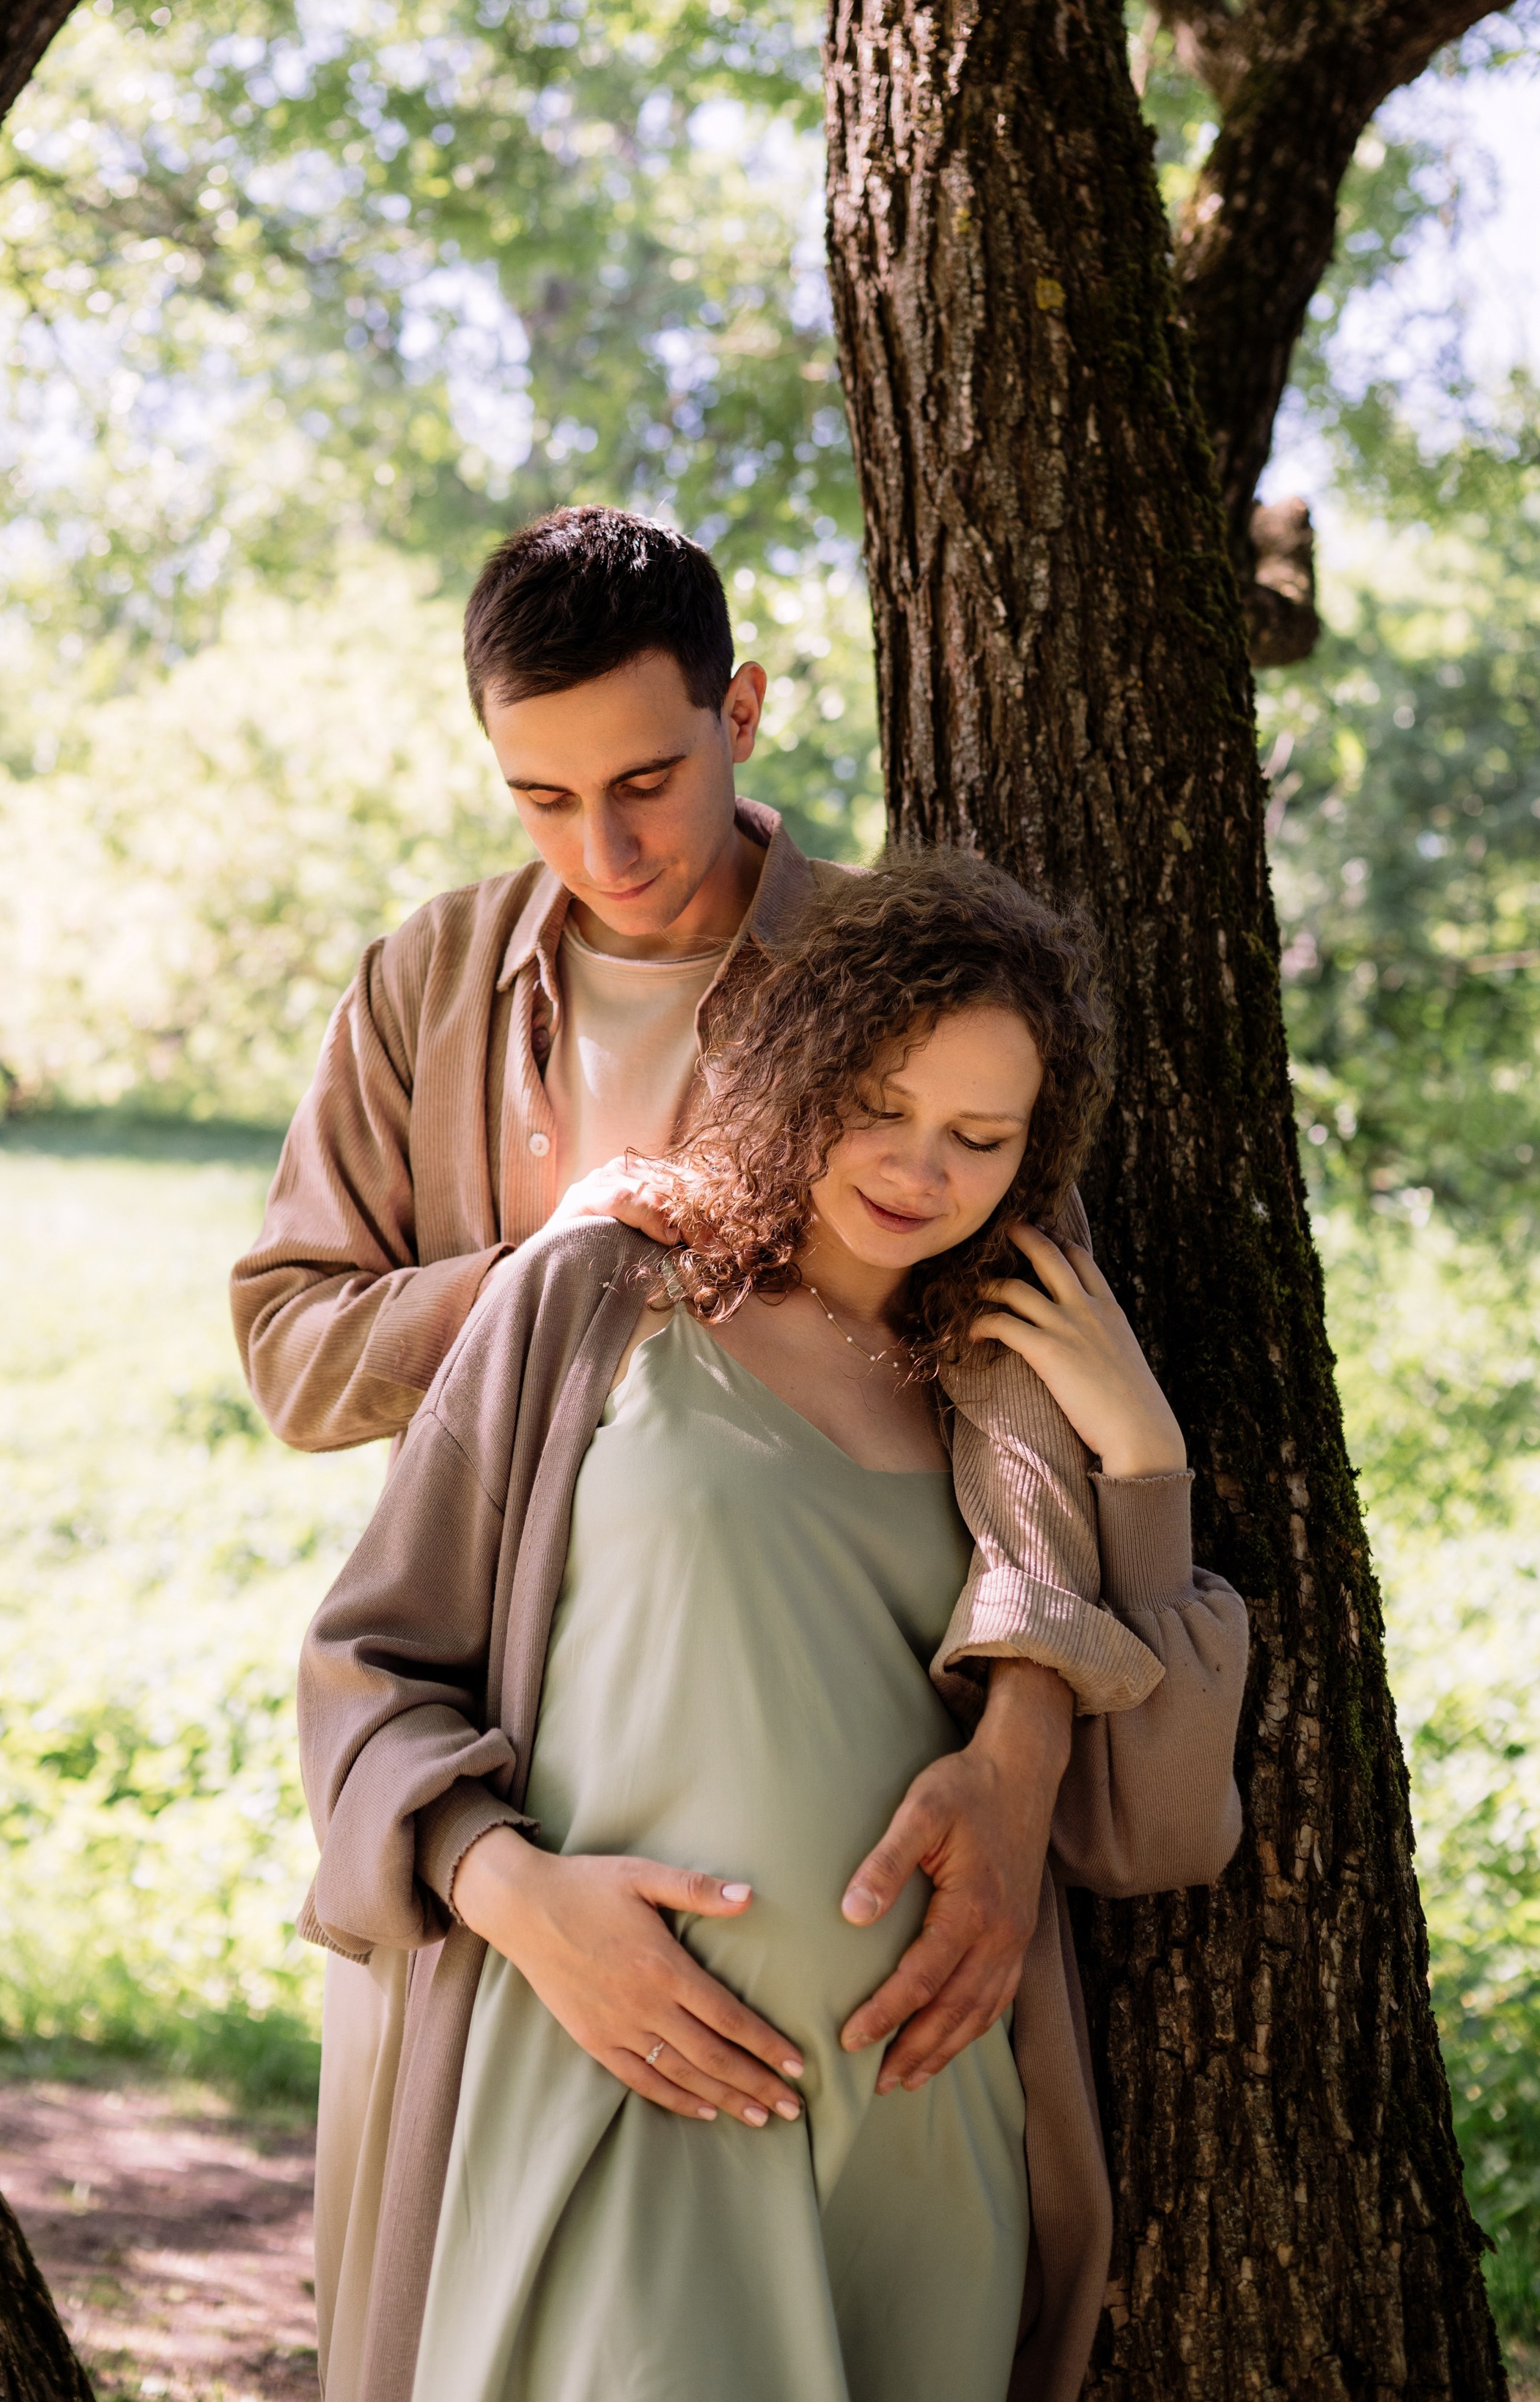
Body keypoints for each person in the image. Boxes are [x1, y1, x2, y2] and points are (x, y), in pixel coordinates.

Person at [231, 508, 1164, 2388]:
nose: (608, 850)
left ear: (741, 708)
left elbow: (1019, 1421)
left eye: (647, 780)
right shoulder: (427, 982)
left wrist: (1028, 1730)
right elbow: (289, 1347)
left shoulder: (893, 973)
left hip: (844, 1785)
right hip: (517, 1730)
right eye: (542, 798)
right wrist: (553, 1271)